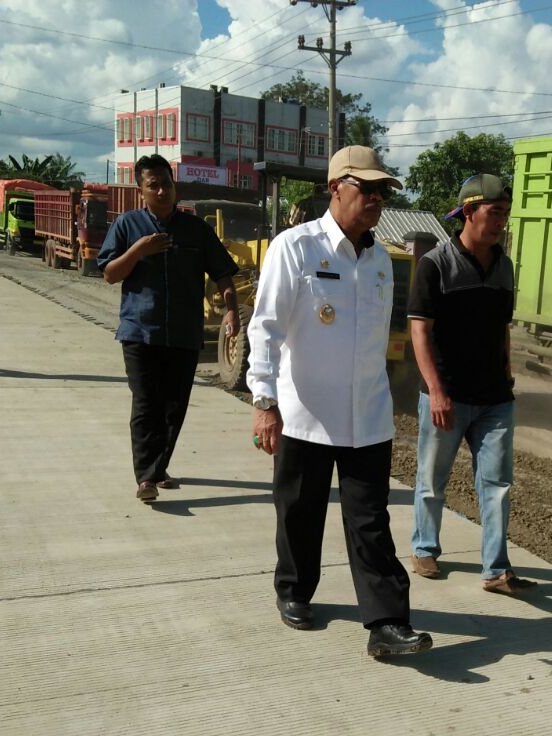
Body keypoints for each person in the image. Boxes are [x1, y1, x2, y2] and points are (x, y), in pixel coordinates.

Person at [247, 145, 432, 658]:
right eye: (366, 189)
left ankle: (388, 623)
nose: (376, 199)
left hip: (366, 417)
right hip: (304, 413)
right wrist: (264, 400)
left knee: (370, 521)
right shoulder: (296, 247)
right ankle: (294, 590)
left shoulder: (380, 260)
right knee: (299, 513)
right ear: (336, 188)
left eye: (382, 192)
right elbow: (265, 327)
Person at [408, 174, 535, 595]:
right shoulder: (435, 265)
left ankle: (496, 570)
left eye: (505, 214)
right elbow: (420, 331)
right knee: (432, 479)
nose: (501, 222)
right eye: (494, 213)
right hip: (447, 394)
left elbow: (502, 328)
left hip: (495, 397)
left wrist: (508, 371)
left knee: (497, 484)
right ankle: (424, 548)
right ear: (468, 212)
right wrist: (436, 391)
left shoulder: (504, 267)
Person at [97, 154, 239, 503]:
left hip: (183, 333)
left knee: (174, 408)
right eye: (153, 185)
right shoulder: (127, 225)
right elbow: (110, 274)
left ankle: (158, 468)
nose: (162, 191)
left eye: (167, 184)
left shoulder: (195, 229)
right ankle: (146, 477)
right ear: (140, 190)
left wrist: (232, 311)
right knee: (146, 404)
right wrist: (139, 249)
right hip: (140, 331)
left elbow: (223, 273)